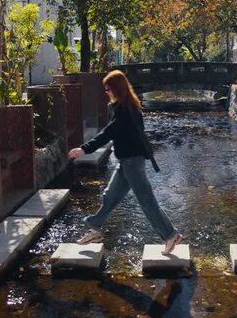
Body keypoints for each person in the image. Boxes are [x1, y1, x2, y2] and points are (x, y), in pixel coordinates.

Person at [68, 70, 183, 254]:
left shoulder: (124, 110)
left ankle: (171, 235)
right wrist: (119, 145)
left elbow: (108, 133)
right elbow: (131, 134)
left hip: (132, 164)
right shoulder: (129, 106)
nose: (106, 92)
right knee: (109, 197)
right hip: (126, 162)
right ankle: (95, 228)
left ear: (117, 88)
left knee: (147, 202)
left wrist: (84, 149)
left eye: (108, 88)